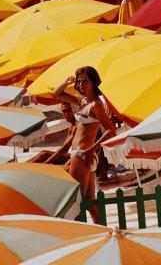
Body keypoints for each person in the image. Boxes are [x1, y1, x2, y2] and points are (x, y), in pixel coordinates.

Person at [52, 66, 116, 223]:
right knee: (89, 201)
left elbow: (111, 130)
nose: (81, 85)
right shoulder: (82, 101)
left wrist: (91, 149)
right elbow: (56, 94)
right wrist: (67, 81)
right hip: (83, 154)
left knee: (76, 200)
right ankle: (103, 230)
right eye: (79, 82)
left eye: (85, 81)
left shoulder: (96, 105)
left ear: (94, 83)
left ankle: (82, 233)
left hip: (83, 154)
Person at [29, 101, 76, 166]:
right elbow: (64, 147)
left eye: (68, 110)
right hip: (71, 154)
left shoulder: (77, 126)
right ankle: (22, 167)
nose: (66, 114)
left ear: (74, 110)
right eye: (64, 111)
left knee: (44, 154)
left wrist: (46, 163)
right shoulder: (71, 126)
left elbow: (64, 149)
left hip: (76, 158)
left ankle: (23, 168)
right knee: (43, 153)